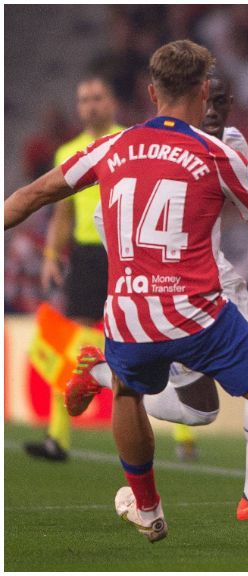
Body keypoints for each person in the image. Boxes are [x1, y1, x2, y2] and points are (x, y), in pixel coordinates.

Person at [5, 40, 248, 551]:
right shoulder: (216, 152)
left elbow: (32, 196)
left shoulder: (110, 147)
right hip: (200, 316)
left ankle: (147, 509)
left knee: (128, 393)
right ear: (204, 90)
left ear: (150, 91)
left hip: (130, 317)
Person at [65, 74, 248, 521]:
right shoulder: (152, 142)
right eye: (205, 101)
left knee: (199, 410)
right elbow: (104, 215)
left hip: (205, 267)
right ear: (192, 98)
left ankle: (101, 373)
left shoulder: (231, 143)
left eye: (220, 103)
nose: (211, 111)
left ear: (230, 105)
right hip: (174, 280)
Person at [24, 76, 124, 462]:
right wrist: (50, 256)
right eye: (84, 100)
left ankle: (182, 436)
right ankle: (58, 438)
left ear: (112, 101)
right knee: (73, 344)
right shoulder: (68, 149)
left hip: (124, 251)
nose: (90, 106)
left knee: (141, 339)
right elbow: (62, 211)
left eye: (97, 98)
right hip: (85, 256)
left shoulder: (129, 141)